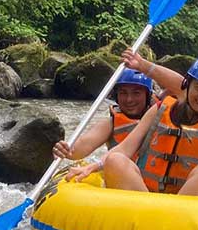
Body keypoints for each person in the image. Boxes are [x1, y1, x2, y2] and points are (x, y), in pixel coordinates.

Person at [66, 53, 198, 197]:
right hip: (146, 197)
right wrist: (94, 166)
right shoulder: (161, 108)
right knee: (116, 160)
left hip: (188, 205)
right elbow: (124, 149)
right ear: (187, 85)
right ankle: (145, 220)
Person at [52, 48, 184, 162]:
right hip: (122, 180)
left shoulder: (163, 110)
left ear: (148, 95)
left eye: (136, 93)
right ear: (116, 96)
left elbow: (184, 87)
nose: (129, 99)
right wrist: (66, 150)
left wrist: (143, 65)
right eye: (123, 93)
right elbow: (83, 145)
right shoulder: (110, 124)